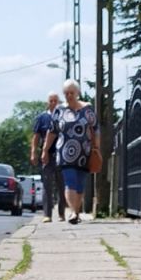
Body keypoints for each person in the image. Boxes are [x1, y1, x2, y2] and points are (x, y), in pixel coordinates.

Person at [42, 79, 99, 225]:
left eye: (71, 93)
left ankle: (76, 212)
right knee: (70, 181)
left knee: (80, 185)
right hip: (65, 153)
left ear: (78, 93)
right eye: (66, 93)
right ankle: (73, 212)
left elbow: (95, 129)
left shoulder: (87, 109)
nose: (69, 96)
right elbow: (52, 131)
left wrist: (96, 148)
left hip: (84, 153)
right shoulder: (60, 110)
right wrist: (45, 150)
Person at [29, 92, 64, 222]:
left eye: (56, 101)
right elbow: (36, 137)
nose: (54, 103)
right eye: (51, 101)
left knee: (62, 185)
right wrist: (33, 152)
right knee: (47, 185)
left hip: (62, 155)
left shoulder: (64, 117)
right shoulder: (41, 118)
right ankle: (47, 214)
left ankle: (61, 214)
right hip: (47, 155)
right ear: (47, 103)